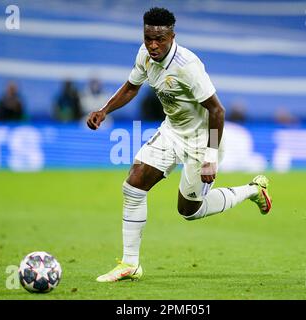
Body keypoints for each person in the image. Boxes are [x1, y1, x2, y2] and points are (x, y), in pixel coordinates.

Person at [87, 7, 272, 282]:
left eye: (159, 39)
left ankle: (253, 190)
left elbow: (217, 111)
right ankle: (130, 264)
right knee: (134, 184)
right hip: (172, 132)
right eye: (148, 37)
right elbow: (130, 87)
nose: (152, 45)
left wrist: (210, 157)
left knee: (189, 211)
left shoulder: (188, 66)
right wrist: (104, 110)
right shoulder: (145, 55)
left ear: (172, 36)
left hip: (202, 140)